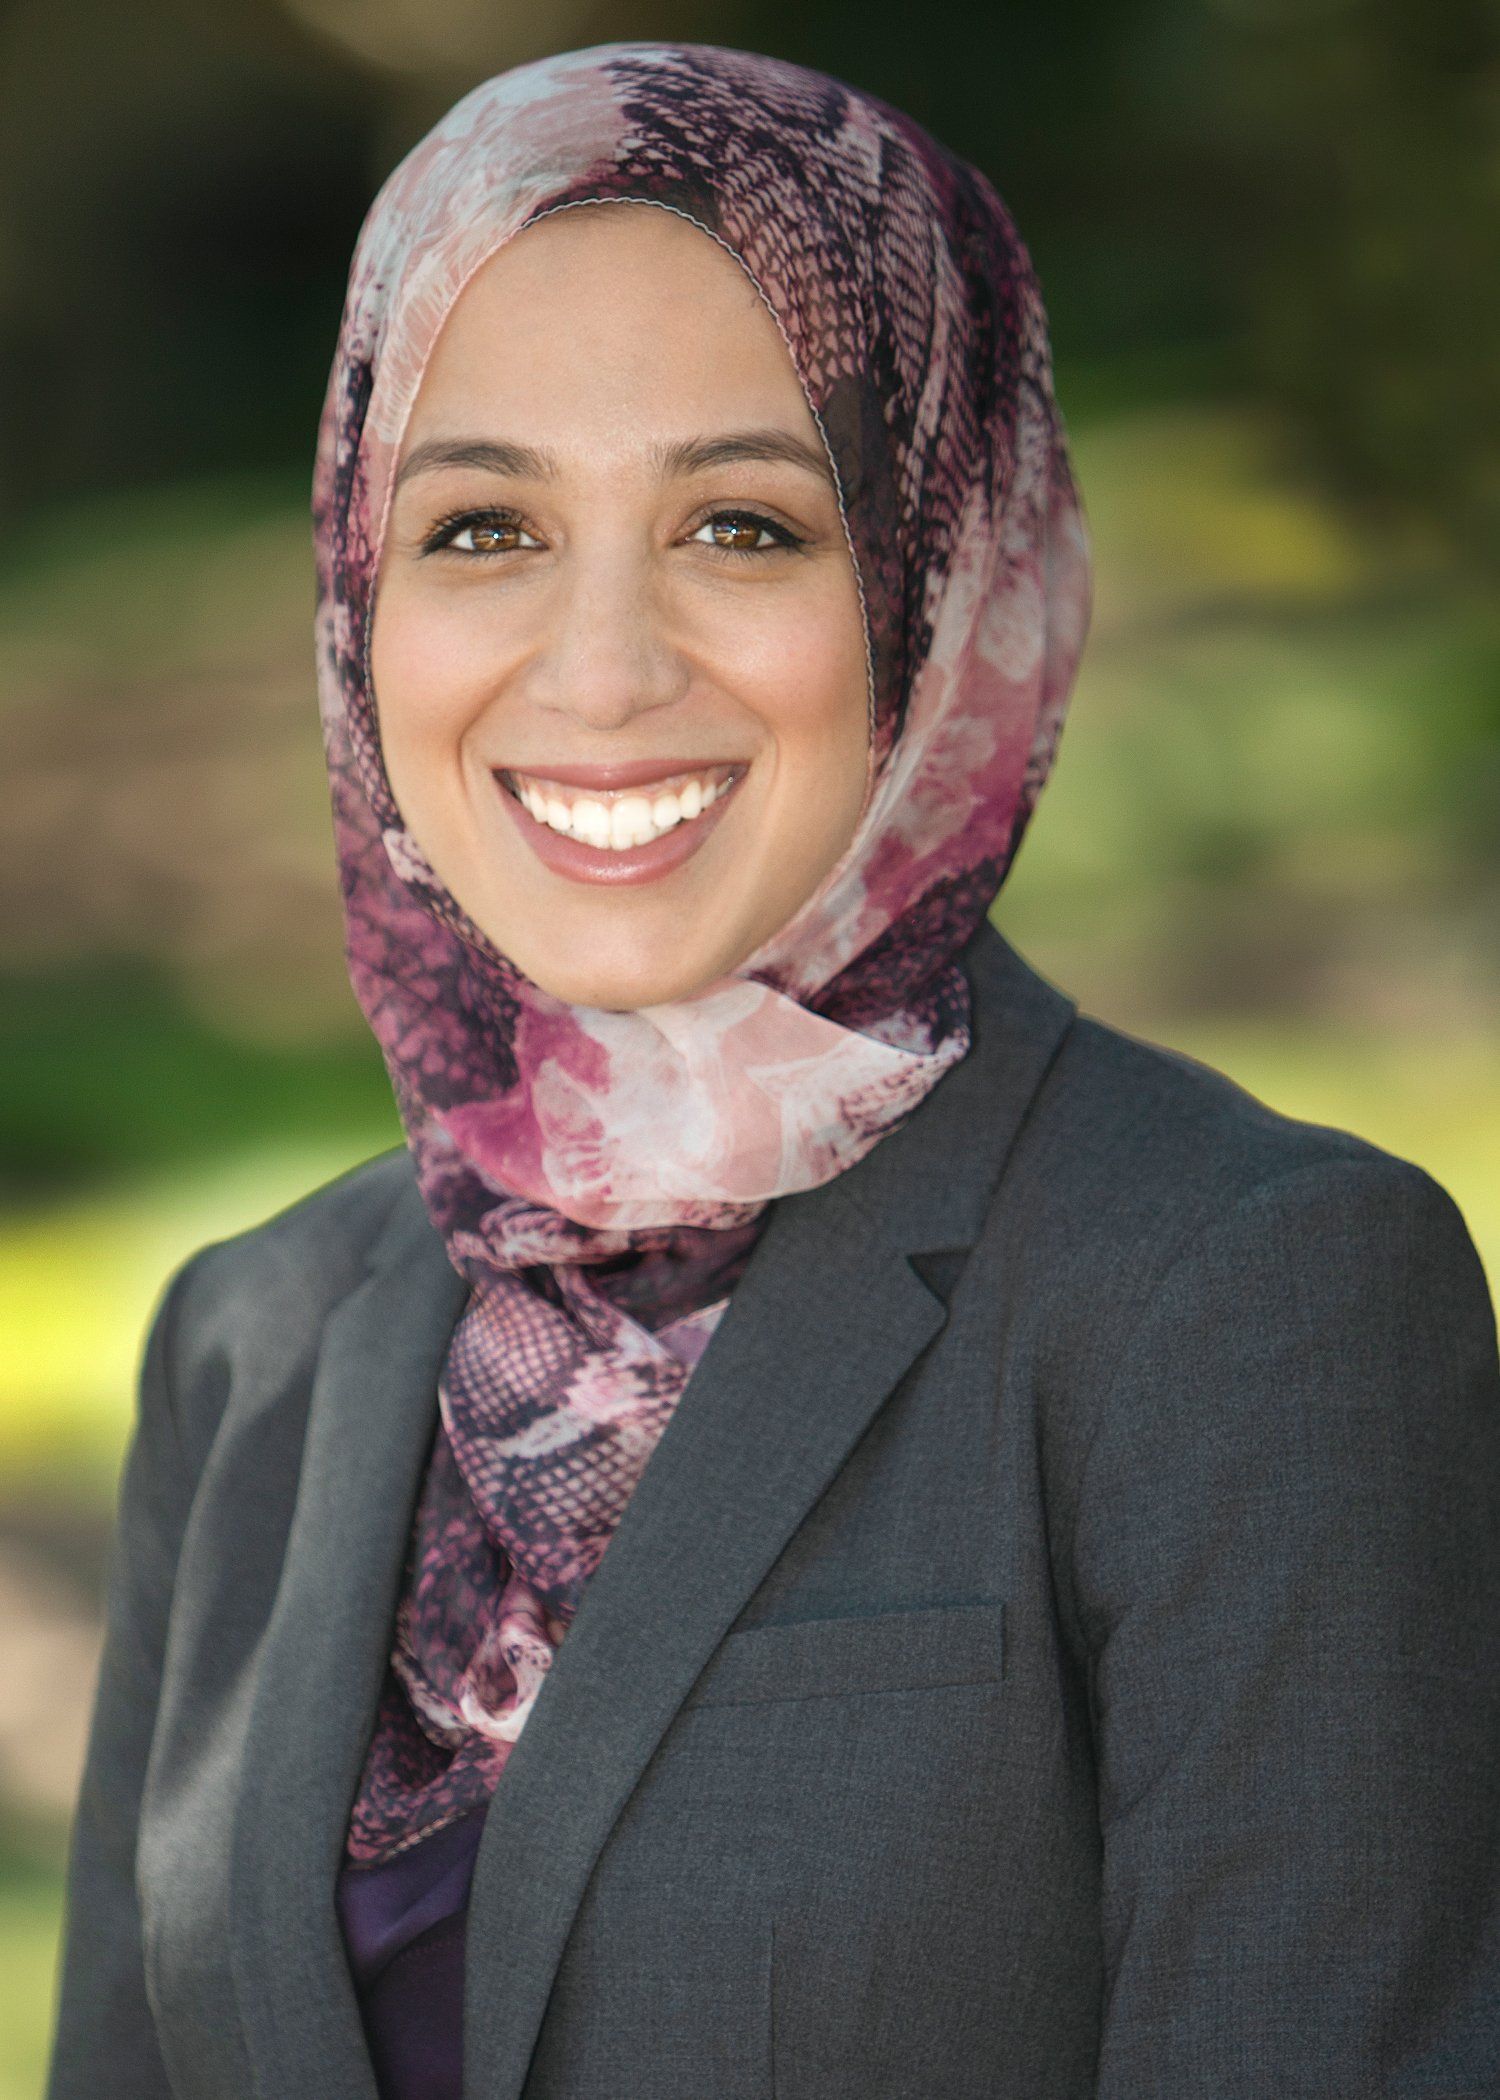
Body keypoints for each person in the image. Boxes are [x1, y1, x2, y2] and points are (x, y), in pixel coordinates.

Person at [44, 40, 1500, 2100]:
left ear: (942, 568)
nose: (601, 671)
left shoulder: (1249, 1296)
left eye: (741, 525)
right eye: (482, 528)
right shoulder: (253, 1340)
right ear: (359, 584)